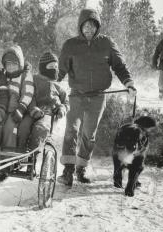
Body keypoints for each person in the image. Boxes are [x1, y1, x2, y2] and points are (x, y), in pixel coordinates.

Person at [56, 8, 136, 187]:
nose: (89, 28)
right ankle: (67, 170)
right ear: (80, 26)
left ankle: (81, 169)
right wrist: (51, 84)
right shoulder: (70, 45)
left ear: (97, 26)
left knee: (88, 135)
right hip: (76, 95)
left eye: (93, 25)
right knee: (71, 130)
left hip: (98, 96)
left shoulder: (106, 43)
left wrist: (129, 83)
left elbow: (120, 66)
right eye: (86, 25)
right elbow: (60, 70)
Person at [18, 51, 69, 151]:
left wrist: (62, 109)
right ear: (43, 67)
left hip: (48, 113)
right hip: (33, 111)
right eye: (51, 67)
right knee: (23, 127)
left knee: (40, 129)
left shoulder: (58, 85)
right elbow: (29, 95)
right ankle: (20, 150)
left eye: (56, 67)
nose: (54, 69)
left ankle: (33, 153)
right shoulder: (35, 79)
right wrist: (33, 109)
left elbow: (66, 101)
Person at [1, 45, 34, 148]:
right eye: (8, 64)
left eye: (14, 64)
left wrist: (21, 108)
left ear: (20, 64)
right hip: (1, 108)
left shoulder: (24, 75)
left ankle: (9, 155)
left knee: (9, 128)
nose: (10, 67)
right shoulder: (2, 76)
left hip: (15, 110)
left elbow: (28, 93)